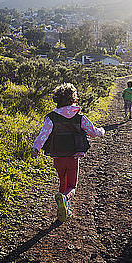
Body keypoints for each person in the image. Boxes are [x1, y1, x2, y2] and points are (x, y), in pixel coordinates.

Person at [31, 83, 105, 222]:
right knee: (71, 186)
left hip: (58, 157)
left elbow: (43, 135)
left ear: (57, 99)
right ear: (73, 99)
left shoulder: (51, 117)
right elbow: (93, 132)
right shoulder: (80, 117)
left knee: (62, 182)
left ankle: (63, 208)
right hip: (73, 157)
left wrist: (36, 148)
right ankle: (65, 199)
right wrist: (102, 131)